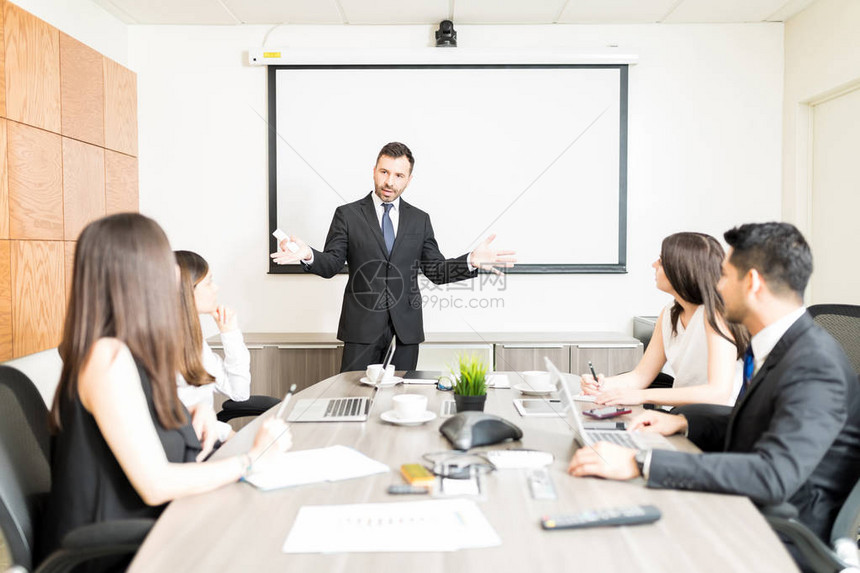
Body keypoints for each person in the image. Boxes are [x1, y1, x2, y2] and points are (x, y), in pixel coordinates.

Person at [568, 222, 860, 554]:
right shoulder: (785, 347)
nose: (716, 286)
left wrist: (641, 461)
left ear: (751, 283)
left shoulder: (814, 365)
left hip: (778, 537)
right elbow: (759, 423)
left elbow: (773, 474)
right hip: (751, 509)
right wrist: (684, 421)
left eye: (723, 275)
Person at [41, 213, 291, 563]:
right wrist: (252, 459)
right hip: (118, 550)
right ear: (137, 275)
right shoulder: (106, 357)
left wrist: (194, 412)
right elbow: (155, 484)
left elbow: (133, 424)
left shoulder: (124, 347)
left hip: (152, 525)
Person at [271, 141, 516, 372]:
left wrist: (470, 260)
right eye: (384, 172)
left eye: (399, 175)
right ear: (374, 171)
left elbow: (436, 272)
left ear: (409, 179)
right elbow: (332, 264)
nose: (390, 181)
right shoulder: (347, 215)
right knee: (355, 399)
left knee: (401, 400)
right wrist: (309, 255)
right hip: (361, 330)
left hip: (405, 332)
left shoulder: (420, 220)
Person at [581, 232, 749, 408]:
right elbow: (640, 376)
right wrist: (600, 385)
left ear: (680, 269)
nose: (653, 265)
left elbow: (718, 393)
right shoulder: (670, 313)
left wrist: (642, 396)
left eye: (661, 261)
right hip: (687, 411)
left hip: (716, 417)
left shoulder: (715, 315)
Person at [175, 250, 251, 442]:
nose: (216, 288)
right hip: (191, 444)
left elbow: (239, 392)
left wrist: (230, 332)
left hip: (205, 436)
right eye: (208, 282)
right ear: (186, 289)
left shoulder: (193, 340)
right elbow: (179, 420)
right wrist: (229, 436)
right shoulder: (168, 343)